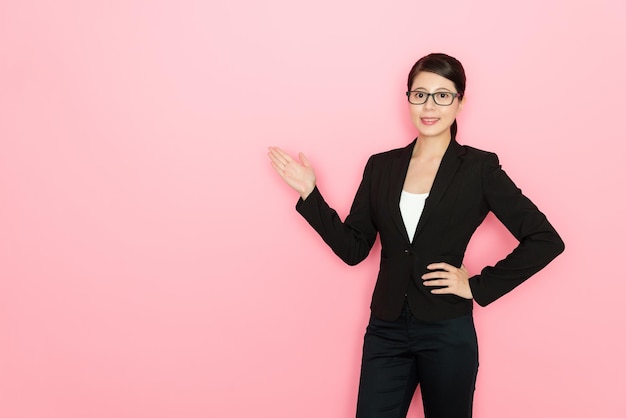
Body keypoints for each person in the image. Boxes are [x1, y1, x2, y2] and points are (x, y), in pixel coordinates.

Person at [267, 53, 564, 418]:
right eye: (420, 94)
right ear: (407, 98)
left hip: (447, 331)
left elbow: (545, 239)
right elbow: (354, 249)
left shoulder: (479, 168)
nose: (429, 106)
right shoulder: (381, 166)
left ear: (460, 102)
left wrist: (477, 285)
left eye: (442, 95)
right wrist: (310, 195)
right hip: (386, 330)